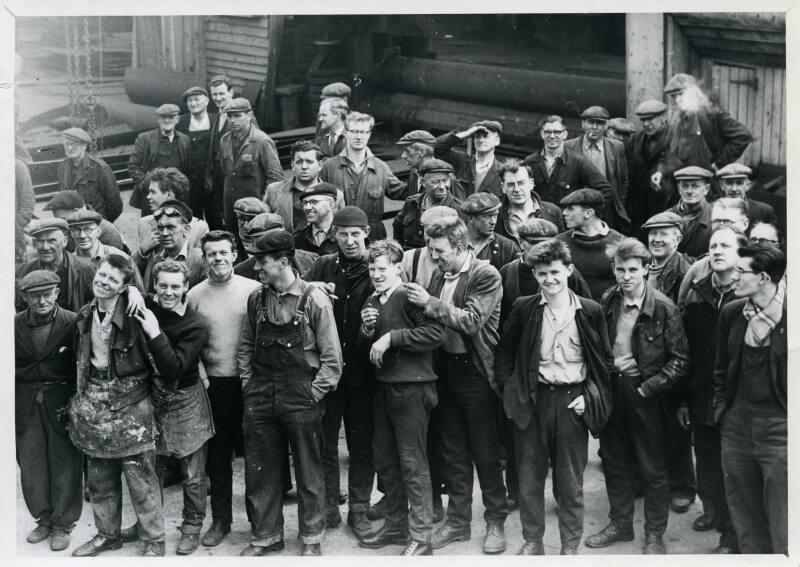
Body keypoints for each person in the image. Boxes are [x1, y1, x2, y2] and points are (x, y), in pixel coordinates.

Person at [495, 239, 613, 555]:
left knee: (570, 483)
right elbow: (504, 353)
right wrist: (512, 390)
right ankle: (533, 541)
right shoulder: (524, 308)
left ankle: (569, 546)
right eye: (542, 273)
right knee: (530, 481)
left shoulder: (590, 311)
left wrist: (590, 397)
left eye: (555, 272)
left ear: (569, 270)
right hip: (533, 401)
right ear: (534, 274)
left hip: (572, 402)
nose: (549, 279)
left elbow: (604, 363)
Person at [404, 218, 508, 555]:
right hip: (445, 370)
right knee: (453, 450)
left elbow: (472, 321)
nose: (434, 257)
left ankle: (495, 520)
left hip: (475, 372)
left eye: (440, 251)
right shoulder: (438, 273)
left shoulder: (485, 275)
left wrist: (428, 303)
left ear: (461, 247)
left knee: (485, 450)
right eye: (432, 251)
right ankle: (458, 521)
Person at [237, 230, 343, 556]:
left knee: (309, 471)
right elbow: (245, 346)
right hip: (261, 393)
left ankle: (311, 537)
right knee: (261, 470)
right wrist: (248, 384)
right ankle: (266, 536)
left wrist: (314, 393)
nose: (256, 269)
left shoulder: (315, 300)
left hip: (302, 394)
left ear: (283, 262)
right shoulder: (257, 299)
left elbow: (332, 360)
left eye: (262, 262)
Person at [585, 238, 689, 554]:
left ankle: (655, 534)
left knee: (652, 466)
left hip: (644, 391)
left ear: (646, 269)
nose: (626, 276)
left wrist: (649, 387)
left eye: (633, 269)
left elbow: (681, 359)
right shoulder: (609, 299)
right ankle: (621, 524)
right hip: (612, 389)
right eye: (620, 269)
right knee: (614, 461)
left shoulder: (662, 307)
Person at [67, 254, 166, 557]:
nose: (103, 281)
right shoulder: (85, 314)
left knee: (141, 478)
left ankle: (153, 540)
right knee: (99, 476)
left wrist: (137, 292)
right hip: (93, 403)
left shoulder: (138, 312)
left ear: (124, 287)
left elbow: (158, 366)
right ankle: (107, 535)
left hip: (132, 403)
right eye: (102, 275)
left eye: (112, 279)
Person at [357, 240, 445, 555]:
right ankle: (396, 527)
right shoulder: (372, 298)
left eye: (383, 269)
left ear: (398, 268)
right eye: (372, 268)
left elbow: (436, 334)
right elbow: (366, 346)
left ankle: (422, 538)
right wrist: (367, 331)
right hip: (385, 387)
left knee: (412, 462)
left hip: (412, 388)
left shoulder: (410, 295)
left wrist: (391, 337)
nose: (377, 274)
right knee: (386, 460)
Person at [304, 206, 376, 536]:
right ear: (335, 235)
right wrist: (314, 289)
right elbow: (304, 303)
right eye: (343, 234)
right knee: (326, 444)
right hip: (329, 374)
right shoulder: (323, 265)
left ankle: (359, 509)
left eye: (355, 234)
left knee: (362, 446)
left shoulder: (376, 268)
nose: (349, 240)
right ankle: (329, 505)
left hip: (364, 374)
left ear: (367, 233)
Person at [133, 260, 213, 555]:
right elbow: (128, 287)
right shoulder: (147, 306)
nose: (168, 292)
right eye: (162, 285)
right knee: (150, 469)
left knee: (193, 474)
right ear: (154, 286)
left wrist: (154, 332)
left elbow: (173, 368)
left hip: (186, 399)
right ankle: (149, 525)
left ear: (186, 288)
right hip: (150, 399)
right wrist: (131, 291)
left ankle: (191, 528)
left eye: (175, 286)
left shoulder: (195, 325)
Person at [186, 230, 261, 547]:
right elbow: (188, 344)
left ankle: (261, 522)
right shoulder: (194, 295)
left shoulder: (254, 290)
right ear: (204, 258)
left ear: (235, 254)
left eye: (223, 252)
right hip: (213, 386)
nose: (218, 258)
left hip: (251, 384)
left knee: (258, 456)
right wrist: (203, 377)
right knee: (218, 460)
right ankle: (221, 521)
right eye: (211, 253)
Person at [713, 244, 786, 554]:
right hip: (737, 424)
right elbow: (719, 368)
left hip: (781, 427)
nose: (734, 277)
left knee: (784, 518)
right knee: (744, 513)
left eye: (742, 272)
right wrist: (723, 411)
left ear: (764, 278)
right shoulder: (732, 312)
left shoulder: (791, 317)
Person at [679, 228, 746, 554]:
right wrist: (682, 398)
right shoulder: (696, 290)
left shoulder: (748, 294)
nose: (717, 251)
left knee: (733, 469)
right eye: (713, 246)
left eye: (725, 246)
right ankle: (713, 513)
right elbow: (685, 349)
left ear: (740, 252)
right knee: (706, 460)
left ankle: (732, 537)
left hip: (736, 399)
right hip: (701, 394)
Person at [15, 271, 83, 552]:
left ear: (57, 293)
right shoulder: (14, 325)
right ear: (24, 298)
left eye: (47, 293)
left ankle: (62, 524)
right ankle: (43, 518)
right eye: (34, 296)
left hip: (62, 400)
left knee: (65, 462)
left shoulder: (73, 322)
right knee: (31, 464)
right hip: (26, 401)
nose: (41, 300)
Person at [640, 211, 696, 513]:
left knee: (676, 425)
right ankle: (651, 482)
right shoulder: (644, 266)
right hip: (647, 357)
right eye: (653, 233)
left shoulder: (686, 270)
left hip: (675, 355)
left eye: (665, 233)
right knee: (649, 425)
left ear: (678, 237)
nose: (657, 239)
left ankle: (682, 486)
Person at [319, 112, 405, 239]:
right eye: (354, 131)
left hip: (373, 236)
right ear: (345, 133)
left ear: (369, 135)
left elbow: (401, 192)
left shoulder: (380, 167)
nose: (359, 137)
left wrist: (421, 176)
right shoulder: (329, 167)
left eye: (363, 132)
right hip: (339, 235)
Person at [662, 73, 752, 187]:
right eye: (673, 96)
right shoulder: (676, 120)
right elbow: (669, 151)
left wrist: (719, 163)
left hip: (707, 182)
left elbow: (743, 136)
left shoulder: (711, 115)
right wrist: (661, 171)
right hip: (681, 181)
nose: (677, 100)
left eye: (681, 94)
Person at [499, 219, 591, 324]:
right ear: (520, 242)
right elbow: (501, 316)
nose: (541, 248)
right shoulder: (507, 272)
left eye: (546, 244)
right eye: (534, 243)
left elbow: (586, 312)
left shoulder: (567, 273)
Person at [219, 97, 284, 241]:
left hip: (254, 208)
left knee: (255, 242)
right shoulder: (224, 140)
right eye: (230, 116)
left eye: (237, 115)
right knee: (234, 242)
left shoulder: (262, 141)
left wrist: (264, 205)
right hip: (231, 206)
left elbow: (276, 178)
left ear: (249, 115)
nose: (233, 120)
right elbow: (227, 174)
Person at [564, 106, 631, 232]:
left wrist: (618, 202)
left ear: (606, 126)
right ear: (583, 124)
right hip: (580, 207)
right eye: (591, 122)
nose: (594, 127)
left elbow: (623, 179)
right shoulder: (569, 146)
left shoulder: (616, 147)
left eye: (599, 123)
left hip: (607, 206)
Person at [524, 115, 611, 207]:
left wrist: (583, 211)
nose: (552, 136)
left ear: (565, 134)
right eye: (548, 132)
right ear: (542, 134)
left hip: (566, 219)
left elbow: (605, 190)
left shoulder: (578, 161)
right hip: (538, 219)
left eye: (557, 132)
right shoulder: (531, 161)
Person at [555, 189, 624, 301]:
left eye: (570, 209)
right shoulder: (559, 243)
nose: (564, 213)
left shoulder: (620, 242)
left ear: (588, 213)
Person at [264, 140, 345, 232]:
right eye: (299, 162)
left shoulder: (336, 195)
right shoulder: (274, 191)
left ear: (320, 165)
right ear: (292, 165)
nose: (304, 166)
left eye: (309, 162)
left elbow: (340, 229)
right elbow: (264, 224)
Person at [17, 218, 95, 313]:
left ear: (64, 241)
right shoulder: (24, 271)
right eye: (40, 241)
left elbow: (96, 304)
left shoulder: (85, 268)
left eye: (52, 241)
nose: (45, 247)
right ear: (35, 243)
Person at [132, 199, 209, 292]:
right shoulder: (156, 260)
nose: (164, 233)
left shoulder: (201, 261)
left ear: (187, 230)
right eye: (160, 228)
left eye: (170, 227)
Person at [128, 104, 191, 216]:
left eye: (171, 117)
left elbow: (189, 169)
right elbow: (133, 166)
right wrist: (148, 186)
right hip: (152, 196)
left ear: (177, 119)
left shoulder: (185, 140)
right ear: (159, 119)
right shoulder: (145, 139)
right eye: (163, 117)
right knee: (151, 227)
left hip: (177, 197)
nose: (167, 120)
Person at [136, 167, 210, 256]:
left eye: (153, 192)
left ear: (169, 194)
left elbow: (200, 265)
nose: (148, 197)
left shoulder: (199, 228)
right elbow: (133, 268)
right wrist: (143, 249)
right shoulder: (144, 224)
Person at [393, 158, 463, 250]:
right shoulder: (412, 203)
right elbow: (398, 228)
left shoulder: (458, 208)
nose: (442, 187)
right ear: (423, 183)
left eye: (445, 181)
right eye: (435, 182)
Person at [57, 127, 122, 222]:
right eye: (67, 144)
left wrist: (103, 222)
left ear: (84, 146)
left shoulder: (99, 167)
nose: (70, 148)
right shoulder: (62, 167)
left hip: (96, 222)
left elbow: (115, 204)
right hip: (73, 222)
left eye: (74, 144)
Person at [626, 100, 671, 233]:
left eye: (650, 119)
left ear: (663, 118)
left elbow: (675, 159)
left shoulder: (675, 136)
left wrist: (661, 171)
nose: (646, 124)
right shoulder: (636, 138)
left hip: (666, 199)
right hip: (641, 203)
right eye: (643, 120)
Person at [495, 158, 563, 245]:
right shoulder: (496, 216)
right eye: (511, 184)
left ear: (531, 183)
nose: (516, 189)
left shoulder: (553, 212)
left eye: (521, 183)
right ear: (503, 188)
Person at [206, 75, 243, 230]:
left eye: (221, 93)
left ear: (231, 92)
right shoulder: (217, 117)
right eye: (214, 94)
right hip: (218, 176)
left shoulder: (241, 114)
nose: (218, 98)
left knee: (235, 218)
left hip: (234, 175)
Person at [235, 212, 319, 279]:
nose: (272, 243)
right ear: (253, 242)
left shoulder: (312, 259)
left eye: (275, 237)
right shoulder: (241, 272)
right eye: (262, 240)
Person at [434, 120, 505, 197]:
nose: (481, 140)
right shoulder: (462, 160)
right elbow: (437, 148)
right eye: (477, 136)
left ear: (497, 140)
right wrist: (466, 133)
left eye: (485, 136)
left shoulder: (502, 171)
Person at [44, 190, 128, 254]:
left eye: (63, 219)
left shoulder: (107, 231)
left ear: (76, 211)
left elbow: (113, 263)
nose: (62, 224)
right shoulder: (67, 227)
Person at [177, 86, 216, 220]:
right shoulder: (181, 122)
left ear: (206, 101)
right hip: (190, 180)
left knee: (215, 218)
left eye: (197, 99)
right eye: (190, 101)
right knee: (194, 219)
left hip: (212, 179)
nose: (193, 104)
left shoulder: (216, 120)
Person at [401, 206, 459, 288]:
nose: (431, 239)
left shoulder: (465, 262)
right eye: (428, 232)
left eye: (438, 234)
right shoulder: (410, 259)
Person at [460, 192, 519, 271]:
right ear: (471, 218)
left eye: (495, 215)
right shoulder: (454, 243)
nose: (493, 222)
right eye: (487, 216)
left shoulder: (508, 247)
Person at [642, 211, 691, 305]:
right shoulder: (640, 265)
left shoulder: (685, 273)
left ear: (677, 239)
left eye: (663, 234)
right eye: (653, 233)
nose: (657, 239)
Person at [666, 166, 715, 259]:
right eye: (685, 186)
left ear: (706, 189)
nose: (689, 191)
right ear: (679, 189)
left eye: (695, 186)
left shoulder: (716, 218)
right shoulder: (667, 217)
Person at [295, 183, 340, 256]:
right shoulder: (298, 238)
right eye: (305, 203)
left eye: (314, 202)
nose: (307, 207)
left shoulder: (344, 235)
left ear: (331, 204)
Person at [395, 130, 437, 197]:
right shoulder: (414, 172)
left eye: (407, 151)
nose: (403, 156)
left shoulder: (445, 178)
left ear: (422, 152)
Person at [16, 158, 35, 272]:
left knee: (19, 273)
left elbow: (28, 203)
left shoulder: (17, 167)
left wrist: (16, 225)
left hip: (13, 234)